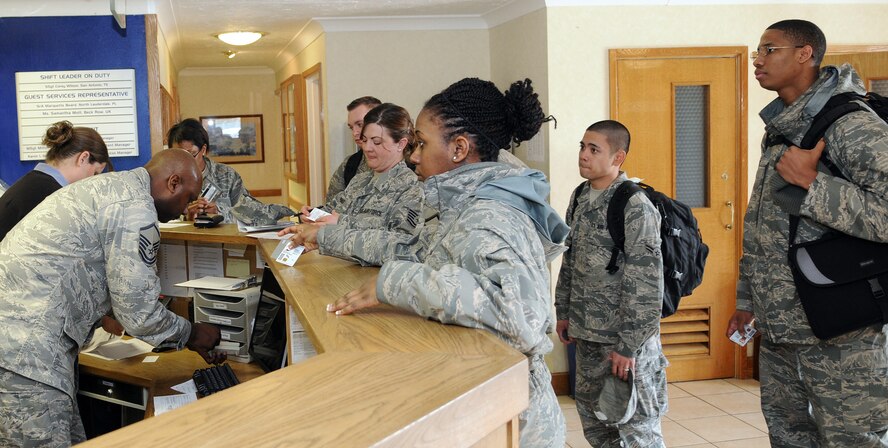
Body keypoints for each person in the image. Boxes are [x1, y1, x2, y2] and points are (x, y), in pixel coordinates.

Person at [317, 78, 568, 447]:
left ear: (459, 148)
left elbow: (523, 318)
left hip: (512, 421)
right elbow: (416, 251)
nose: (413, 155)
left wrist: (398, 283)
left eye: (421, 143)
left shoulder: (489, 213)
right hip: (484, 402)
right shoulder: (461, 203)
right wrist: (331, 239)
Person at [726, 19, 888, 446]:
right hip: (782, 329)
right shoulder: (783, 126)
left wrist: (813, 184)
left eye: (769, 49)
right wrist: (748, 300)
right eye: (757, 50)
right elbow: (764, 224)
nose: (757, 60)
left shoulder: (852, 125)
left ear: (805, 54)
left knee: (852, 440)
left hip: (841, 331)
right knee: (790, 436)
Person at [0, 150, 226, 447]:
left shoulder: (110, 188)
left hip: (21, 341)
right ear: (173, 182)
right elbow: (140, 314)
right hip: (26, 351)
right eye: (188, 198)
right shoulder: (136, 210)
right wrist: (194, 333)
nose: (186, 210)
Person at [554, 120, 667, 447]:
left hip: (623, 343)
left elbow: (647, 281)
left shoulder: (634, 204)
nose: (583, 155)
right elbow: (570, 259)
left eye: (594, 149)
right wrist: (564, 312)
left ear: (618, 158)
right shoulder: (580, 196)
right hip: (588, 337)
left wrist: (629, 346)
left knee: (636, 431)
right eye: (582, 147)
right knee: (597, 427)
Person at [281, 103, 422, 250]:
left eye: (377, 142)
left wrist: (340, 224)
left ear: (400, 144)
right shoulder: (359, 181)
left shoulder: (412, 187)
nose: (367, 148)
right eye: (365, 140)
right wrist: (315, 217)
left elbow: (401, 243)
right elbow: (334, 211)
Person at [167, 118, 296, 224]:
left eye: (191, 155)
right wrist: (186, 218)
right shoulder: (168, 180)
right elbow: (159, 223)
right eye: (177, 156)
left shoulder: (227, 176)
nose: (183, 162)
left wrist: (220, 212)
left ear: (203, 149)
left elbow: (253, 214)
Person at [0, 121, 111, 241]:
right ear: (83, 158)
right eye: (95, 173)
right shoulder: (53, 197)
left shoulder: (33, 184)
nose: (93, 180)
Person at [326, 96, 382, 199]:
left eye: (360, 125)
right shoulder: (350, 165)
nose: (355, 133)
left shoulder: (408, 164)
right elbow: (331, 204)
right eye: (351, 127)